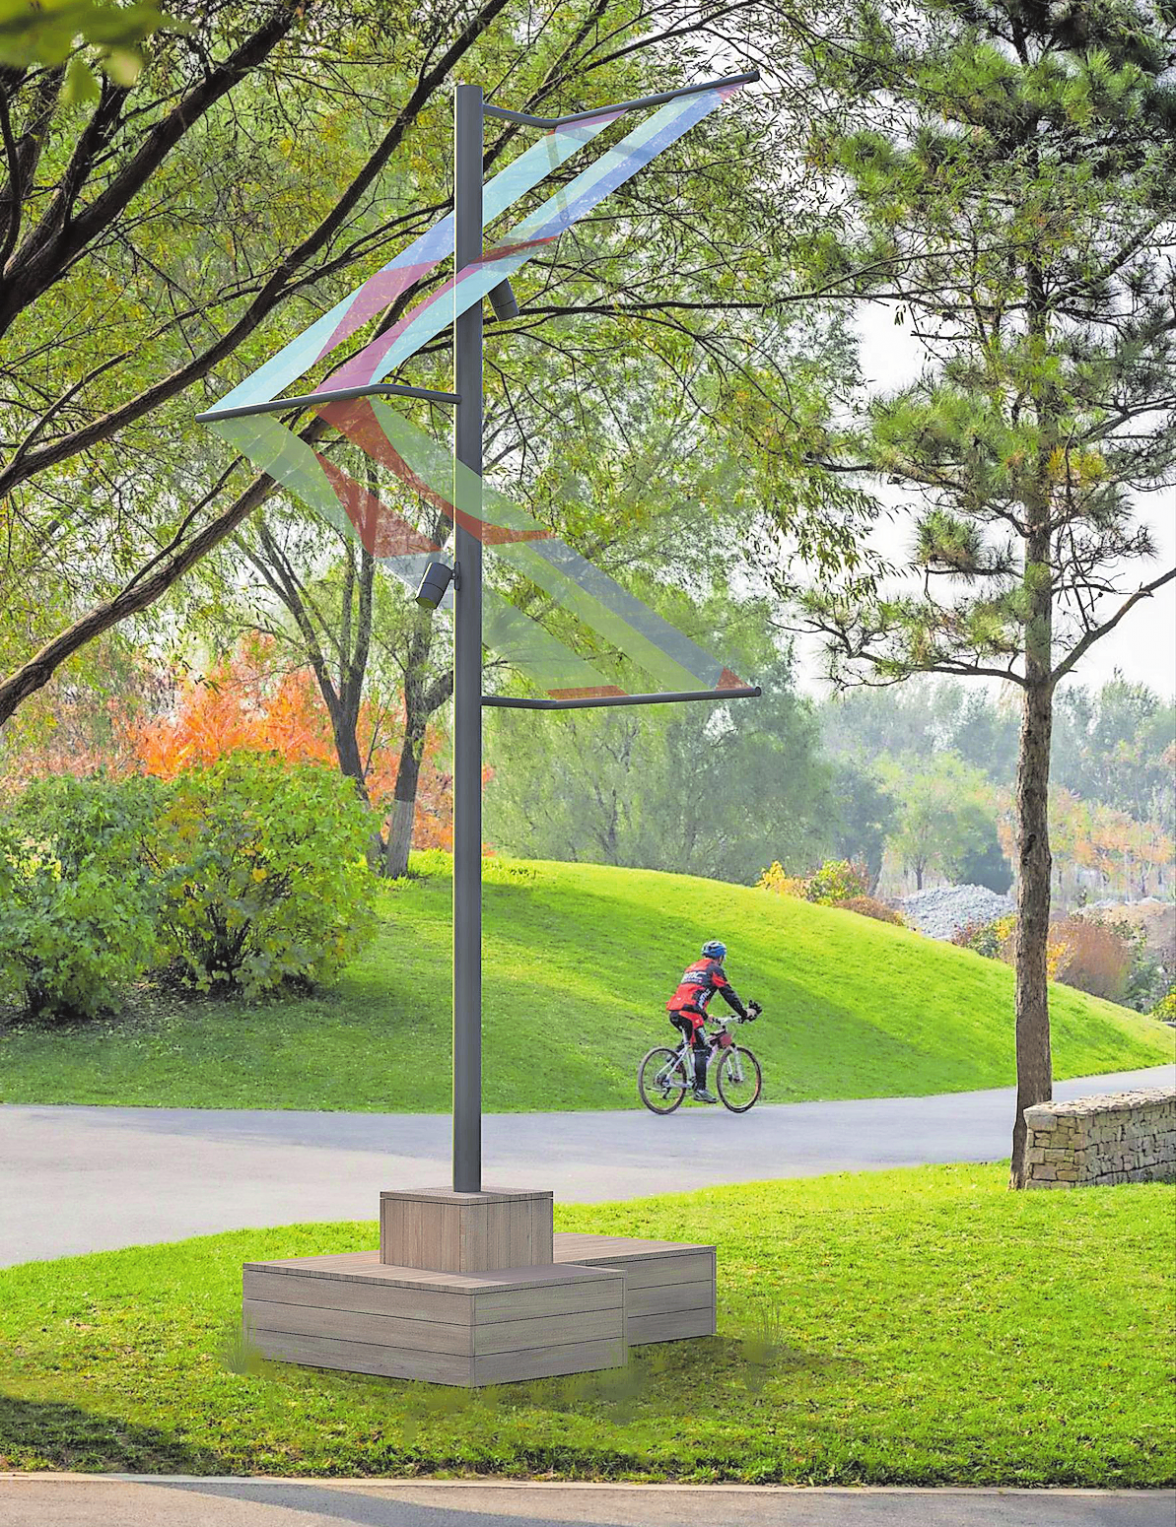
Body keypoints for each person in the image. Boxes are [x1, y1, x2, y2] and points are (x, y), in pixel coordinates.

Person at [666, 939, 754, 1103]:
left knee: (691, 1037)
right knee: (701, 1049)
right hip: (690, 1013)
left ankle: (674, 1059)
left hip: (675, 1010)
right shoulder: (715, 970)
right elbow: (728, 994)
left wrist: (707, 1017)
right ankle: (700, 1090)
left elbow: (694, 993)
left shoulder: (692, 967)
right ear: (720, 957)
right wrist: (743, 1013)